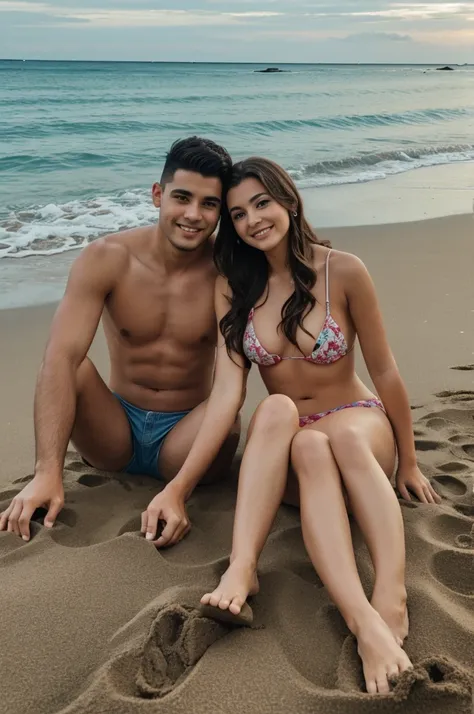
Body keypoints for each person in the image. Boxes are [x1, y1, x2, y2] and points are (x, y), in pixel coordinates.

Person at [171, 156, 441, 695]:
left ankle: (389, 595)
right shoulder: (234, 286)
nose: (253, 220)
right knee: (276, 412)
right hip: (300, 454)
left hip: (361, 431)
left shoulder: (342, 269)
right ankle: (248, 570)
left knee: (334, 434)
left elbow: (384, 370)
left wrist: (408, 459)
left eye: (263, 203)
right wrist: (179, 487)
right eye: (239, 213)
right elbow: (229, 391)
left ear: (289, 201)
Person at [0, 136, 241, 547]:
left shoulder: (227, 273)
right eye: (181, 198)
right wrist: (47, 470)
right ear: (157, 195)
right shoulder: (107, 257)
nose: (193, 215)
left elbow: (229, 385)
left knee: (230, 414)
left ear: (220, 211)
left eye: (209, 204)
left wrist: (178, 489)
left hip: (185, 439)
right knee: (69, 361)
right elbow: (60, 358)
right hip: (114, 436)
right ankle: (47, 477)